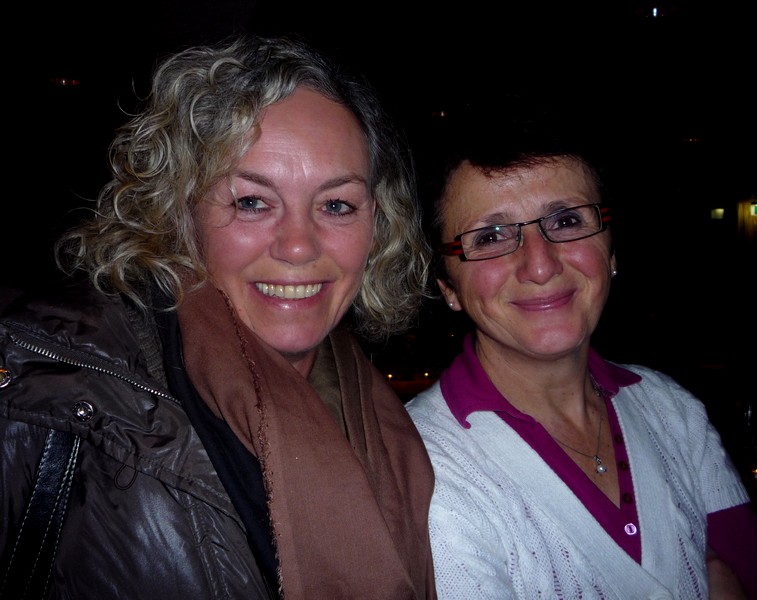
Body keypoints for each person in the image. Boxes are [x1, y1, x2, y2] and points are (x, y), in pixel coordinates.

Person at [0, 34, 437, 599]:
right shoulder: (44, 388)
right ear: (181, 212)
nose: (299, 246)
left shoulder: (384, 420)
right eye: (252, 202)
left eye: (336, 205)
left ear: (377, 220)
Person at [405, 98, 757, 599]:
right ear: (448, 286)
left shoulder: (670, 408)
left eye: (566, 221)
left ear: (610, 250)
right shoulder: (420, 465)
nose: (540, 265)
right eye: (491, 236)